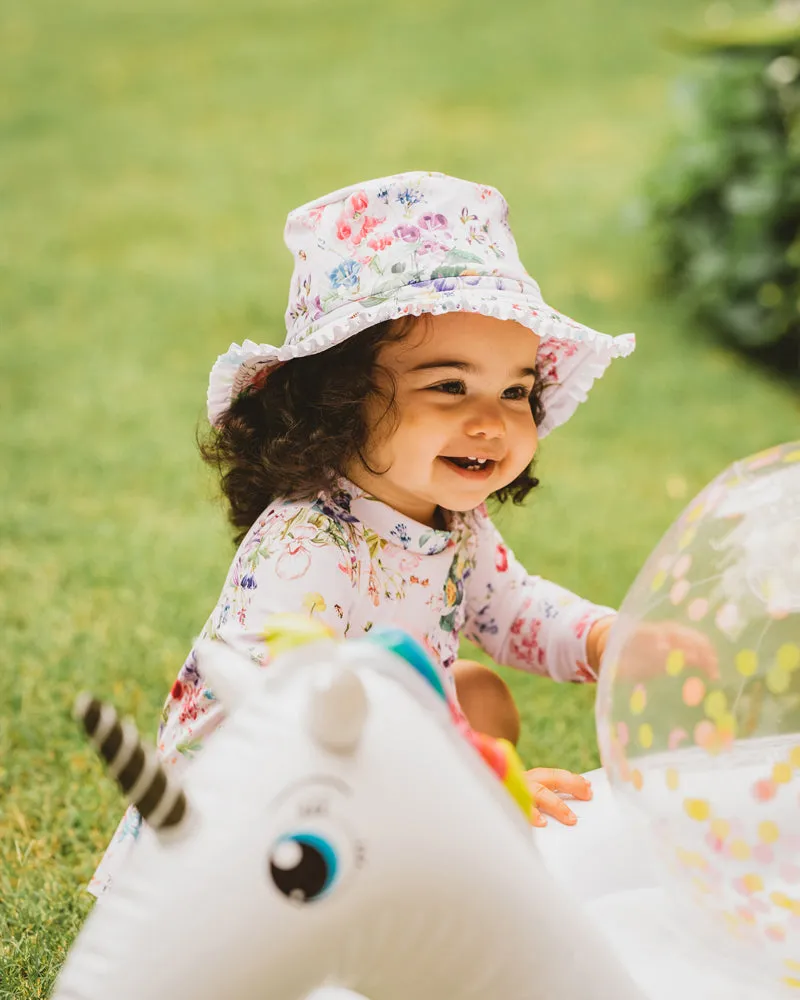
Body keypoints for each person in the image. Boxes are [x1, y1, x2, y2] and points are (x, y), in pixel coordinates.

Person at [88, 170, 637, 897]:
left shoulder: (452, 523)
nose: (493, 420)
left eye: (516, 391)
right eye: (449, 386)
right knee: (457, 729)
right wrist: (471, 784)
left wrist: (607, 640)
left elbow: (513, 610)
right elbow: (294, 722)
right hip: (258, 821)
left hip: (370, 760)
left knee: (479, 697)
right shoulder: (311, 546)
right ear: (340, 401)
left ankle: (426, 858)